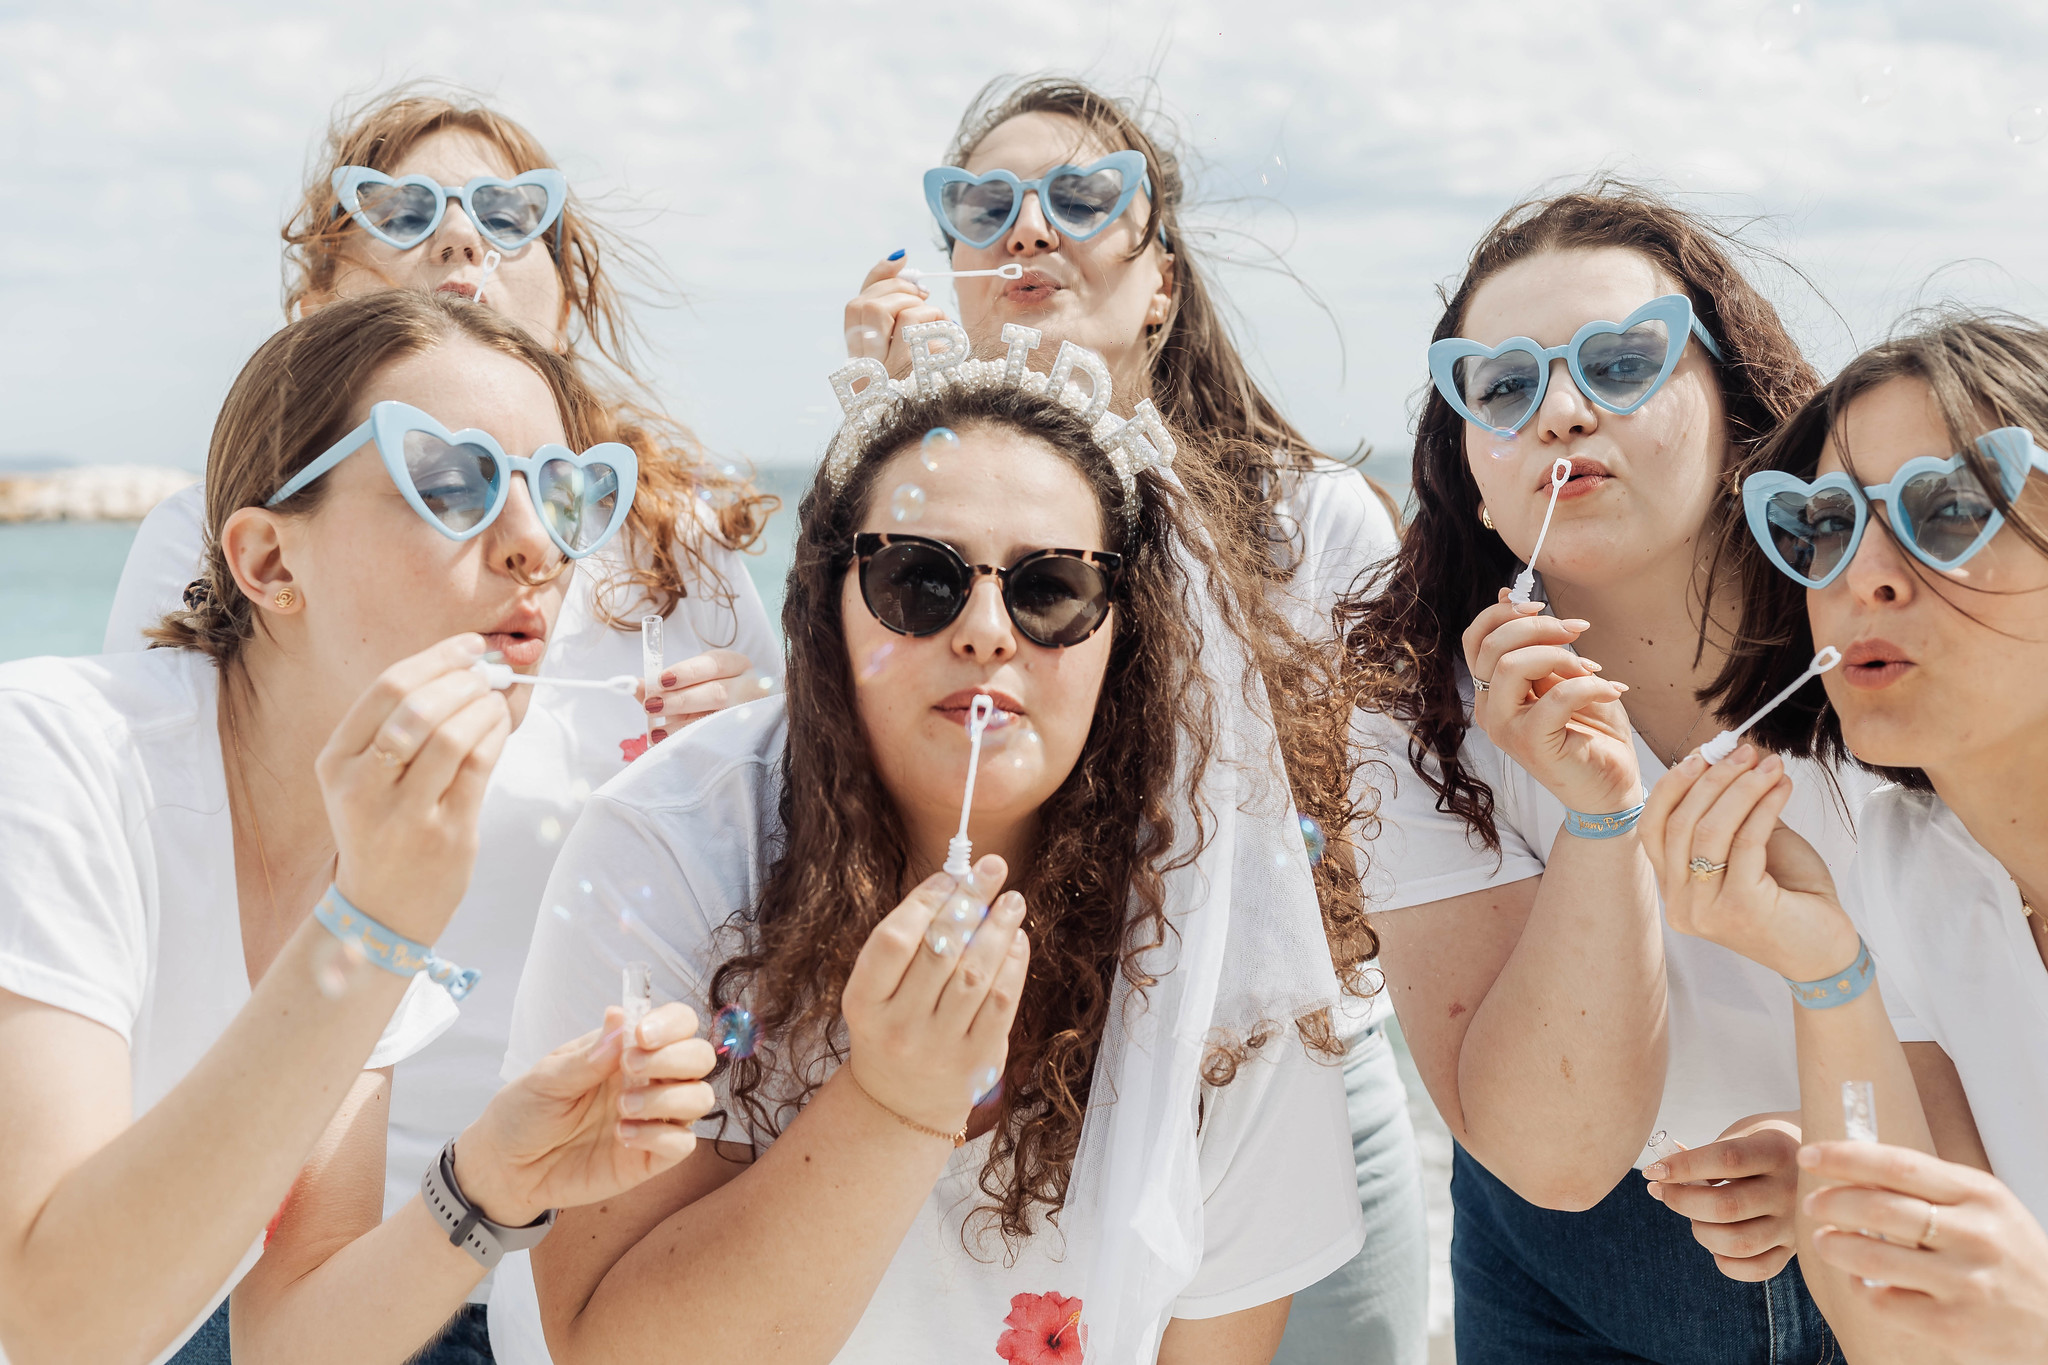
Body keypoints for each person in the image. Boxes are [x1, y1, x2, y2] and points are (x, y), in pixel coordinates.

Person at [489, 335, 1364, 1364]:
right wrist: (888, 1106)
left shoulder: (1206, 908)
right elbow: (606, 1344)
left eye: (1049, 589)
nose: (988, 630)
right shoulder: (670, 846)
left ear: (1124, 635)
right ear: (825, 606)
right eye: (919, 579)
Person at [98, 87, 781, 1354]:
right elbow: (176, 870)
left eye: (510, 215)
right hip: (278, 1227)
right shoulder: (220, 545)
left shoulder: (675, 562)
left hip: (578, 1225)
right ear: (318, 301)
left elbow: (762, 887)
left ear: (564, 298)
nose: (463, 244)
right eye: (405, 211)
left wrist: (773, 748)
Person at [0, 290, 717, 1365]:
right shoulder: (55, 757)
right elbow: (55, 1323)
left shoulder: (368, 865)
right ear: (270, 562)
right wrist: (373, 923)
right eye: (450, 483)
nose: (536, 546)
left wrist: (490, 1182)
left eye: (566, 496)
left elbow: (289, 1339)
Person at [842, 75, 1420, 1362]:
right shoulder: (895, 507)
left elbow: (1381, 840)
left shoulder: (1306, 517)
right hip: (1010, 1067)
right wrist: (881, 445)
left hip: (1279, 1064)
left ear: (1160, 281)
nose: (1029, 229)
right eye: (983, 205)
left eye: (1082, 197)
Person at [1338, 180, 1864, 1363]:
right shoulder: (1413, 711)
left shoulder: (1875, 609)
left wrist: (1843, 1145)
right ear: (1467, 458)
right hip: (1582, 1270)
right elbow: (1556, 1157)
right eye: (1505, 386)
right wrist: (1595, 818)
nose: (1562, 413)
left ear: (1728, 397)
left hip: (1913, 1191)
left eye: (1622, 361)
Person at [1641, 312, 2048, 1363]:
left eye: (1949, 507)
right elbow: (1896, 1330)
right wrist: (1825, 968)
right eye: (1821, 521)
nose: (1860, 572)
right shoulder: (1905, 872)